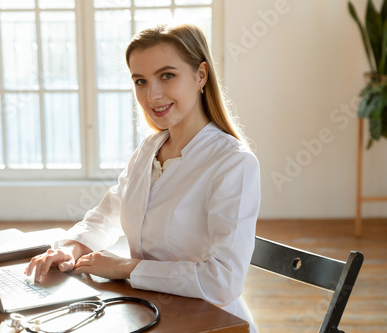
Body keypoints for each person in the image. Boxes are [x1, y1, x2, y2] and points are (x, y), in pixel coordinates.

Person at [26, 23, 261, 332]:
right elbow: (107, 214)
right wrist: (71, 248)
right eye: (140, 81)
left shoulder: (233, 163)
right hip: (150, 312)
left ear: (200, 75)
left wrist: (126, 267)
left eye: (167, 76)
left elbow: (223, 281)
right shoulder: (150, 149)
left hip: (211, 323)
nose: (152, 95)